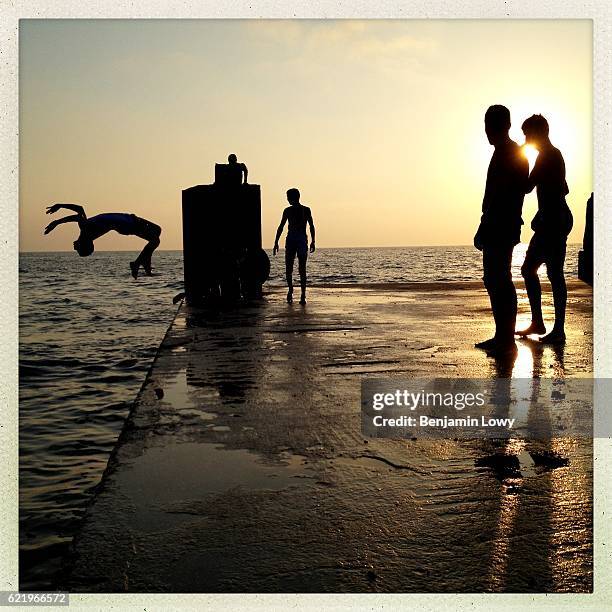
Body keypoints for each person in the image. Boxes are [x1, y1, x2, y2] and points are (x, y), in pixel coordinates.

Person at [474, 105, 529, 354]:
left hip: (501, 225)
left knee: (500, 280)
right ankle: (502, 335)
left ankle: (505, 339)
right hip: (499, 223)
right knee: (495, 279)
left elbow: (502, 196)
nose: (487, 131)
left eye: (490, 126)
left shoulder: (511, 154)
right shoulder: (506, 152)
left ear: (502, 126)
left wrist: (485, 226)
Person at [516, 114, 573, 344]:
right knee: (533, 270)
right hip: (551, 219)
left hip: (554, 222)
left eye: (527, 134)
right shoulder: (552, 155)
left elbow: (528, 186)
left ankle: (557, 329)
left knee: (551, 274)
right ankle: (541, 322)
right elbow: (563, 189)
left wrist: (516, 161)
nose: (526, 139)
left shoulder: (547, 156)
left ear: (538, 133)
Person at [44, 203, 162, 279]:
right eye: (77, 249)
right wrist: (57, 221)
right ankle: (137, 263)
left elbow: (79, 210)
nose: (74, 247)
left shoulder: (86, 231)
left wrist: (58, 217)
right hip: (127, 223)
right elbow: (78, 214)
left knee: (156, 235)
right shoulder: (86, 230)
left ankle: (144, 262)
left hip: (126, 222)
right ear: (82, 244)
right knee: (156, 236)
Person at [273, 188, 315, 305]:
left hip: (297, 239)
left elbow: (311, 225)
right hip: (296, 239)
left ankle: (300, 294)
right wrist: (276, 241)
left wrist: (313, 241)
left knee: (295, 268)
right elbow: (281, 226)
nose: (287, 199)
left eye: (288, 197)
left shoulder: (302, 210)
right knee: (296, 268)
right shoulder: (292, 210)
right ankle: (295, 292)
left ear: (292, 198)